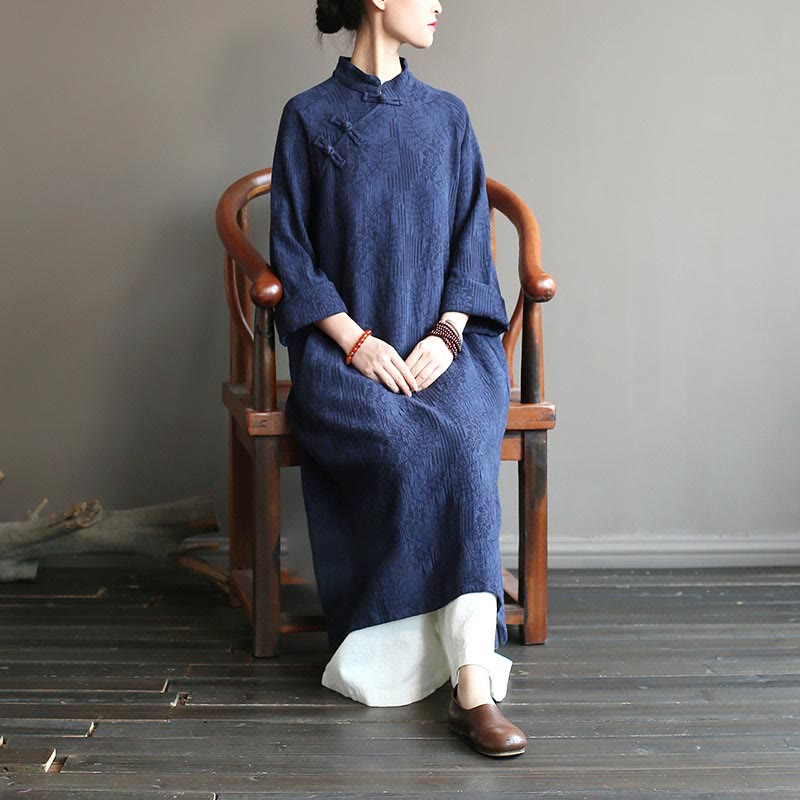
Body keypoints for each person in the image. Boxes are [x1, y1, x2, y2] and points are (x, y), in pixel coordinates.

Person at [268, 0, 527, 757]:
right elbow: (292, 251)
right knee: (402, 441)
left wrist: (448, 331)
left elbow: (471, 243)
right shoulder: (308, 117)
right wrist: (355, 343)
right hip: (346, 356)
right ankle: (410, 646)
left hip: (449, 349)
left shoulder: (448, 117)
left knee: (460, 439)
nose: (441, 4)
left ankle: (472, 686)